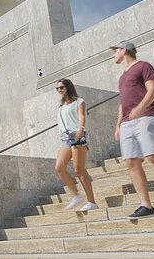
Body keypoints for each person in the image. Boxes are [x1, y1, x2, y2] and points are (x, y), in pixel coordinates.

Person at [112, 40, 154, 218]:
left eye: (115, 50)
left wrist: (140, 108)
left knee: (152, 156)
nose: (113, 54)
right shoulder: (122, 77)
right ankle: (146, 206)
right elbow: (122, 103)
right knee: (131, 161)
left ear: (124, 50)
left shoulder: (144, 67)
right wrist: (118, 125)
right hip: (127, 123)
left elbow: (152, 89)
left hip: (147, 116)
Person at [54, 78, 98, 211]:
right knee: (59, 167)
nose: (59, 90)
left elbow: (81, 116)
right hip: (65, 139)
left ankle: (92, 202)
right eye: (57, 88)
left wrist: (81, 128)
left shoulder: (79, 101)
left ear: (68, 87)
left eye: (61, 87)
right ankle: (76, 196)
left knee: (79, 169)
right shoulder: (61, 106)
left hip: (77, 136)